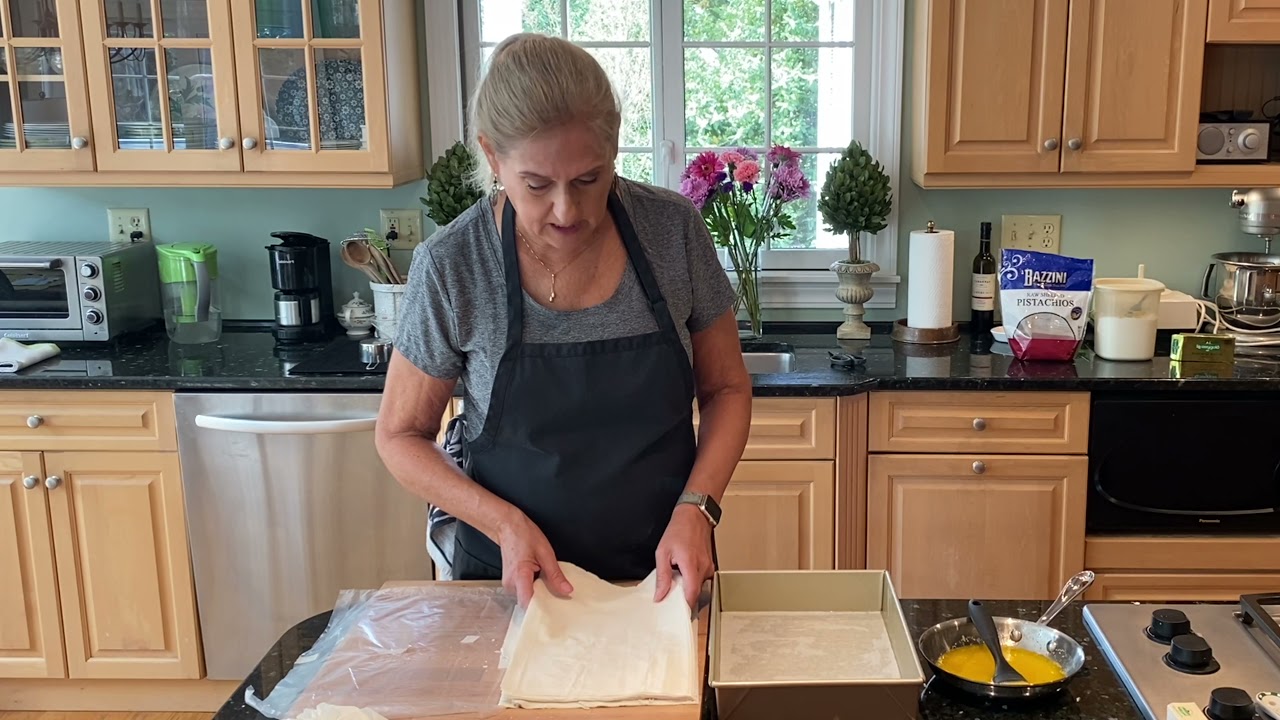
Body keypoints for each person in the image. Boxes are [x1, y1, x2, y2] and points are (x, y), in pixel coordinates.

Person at [375, 33, 751, 611]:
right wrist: (503, 524)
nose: (566, 210)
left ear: (615, 147)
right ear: (493, 156)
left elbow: (726, 389)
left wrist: (698, 507)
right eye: (536, 185)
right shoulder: (453, 263)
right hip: (509, 582)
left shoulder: (671, 231)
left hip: (661, 579)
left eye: (588, 179)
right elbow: (400, 436)